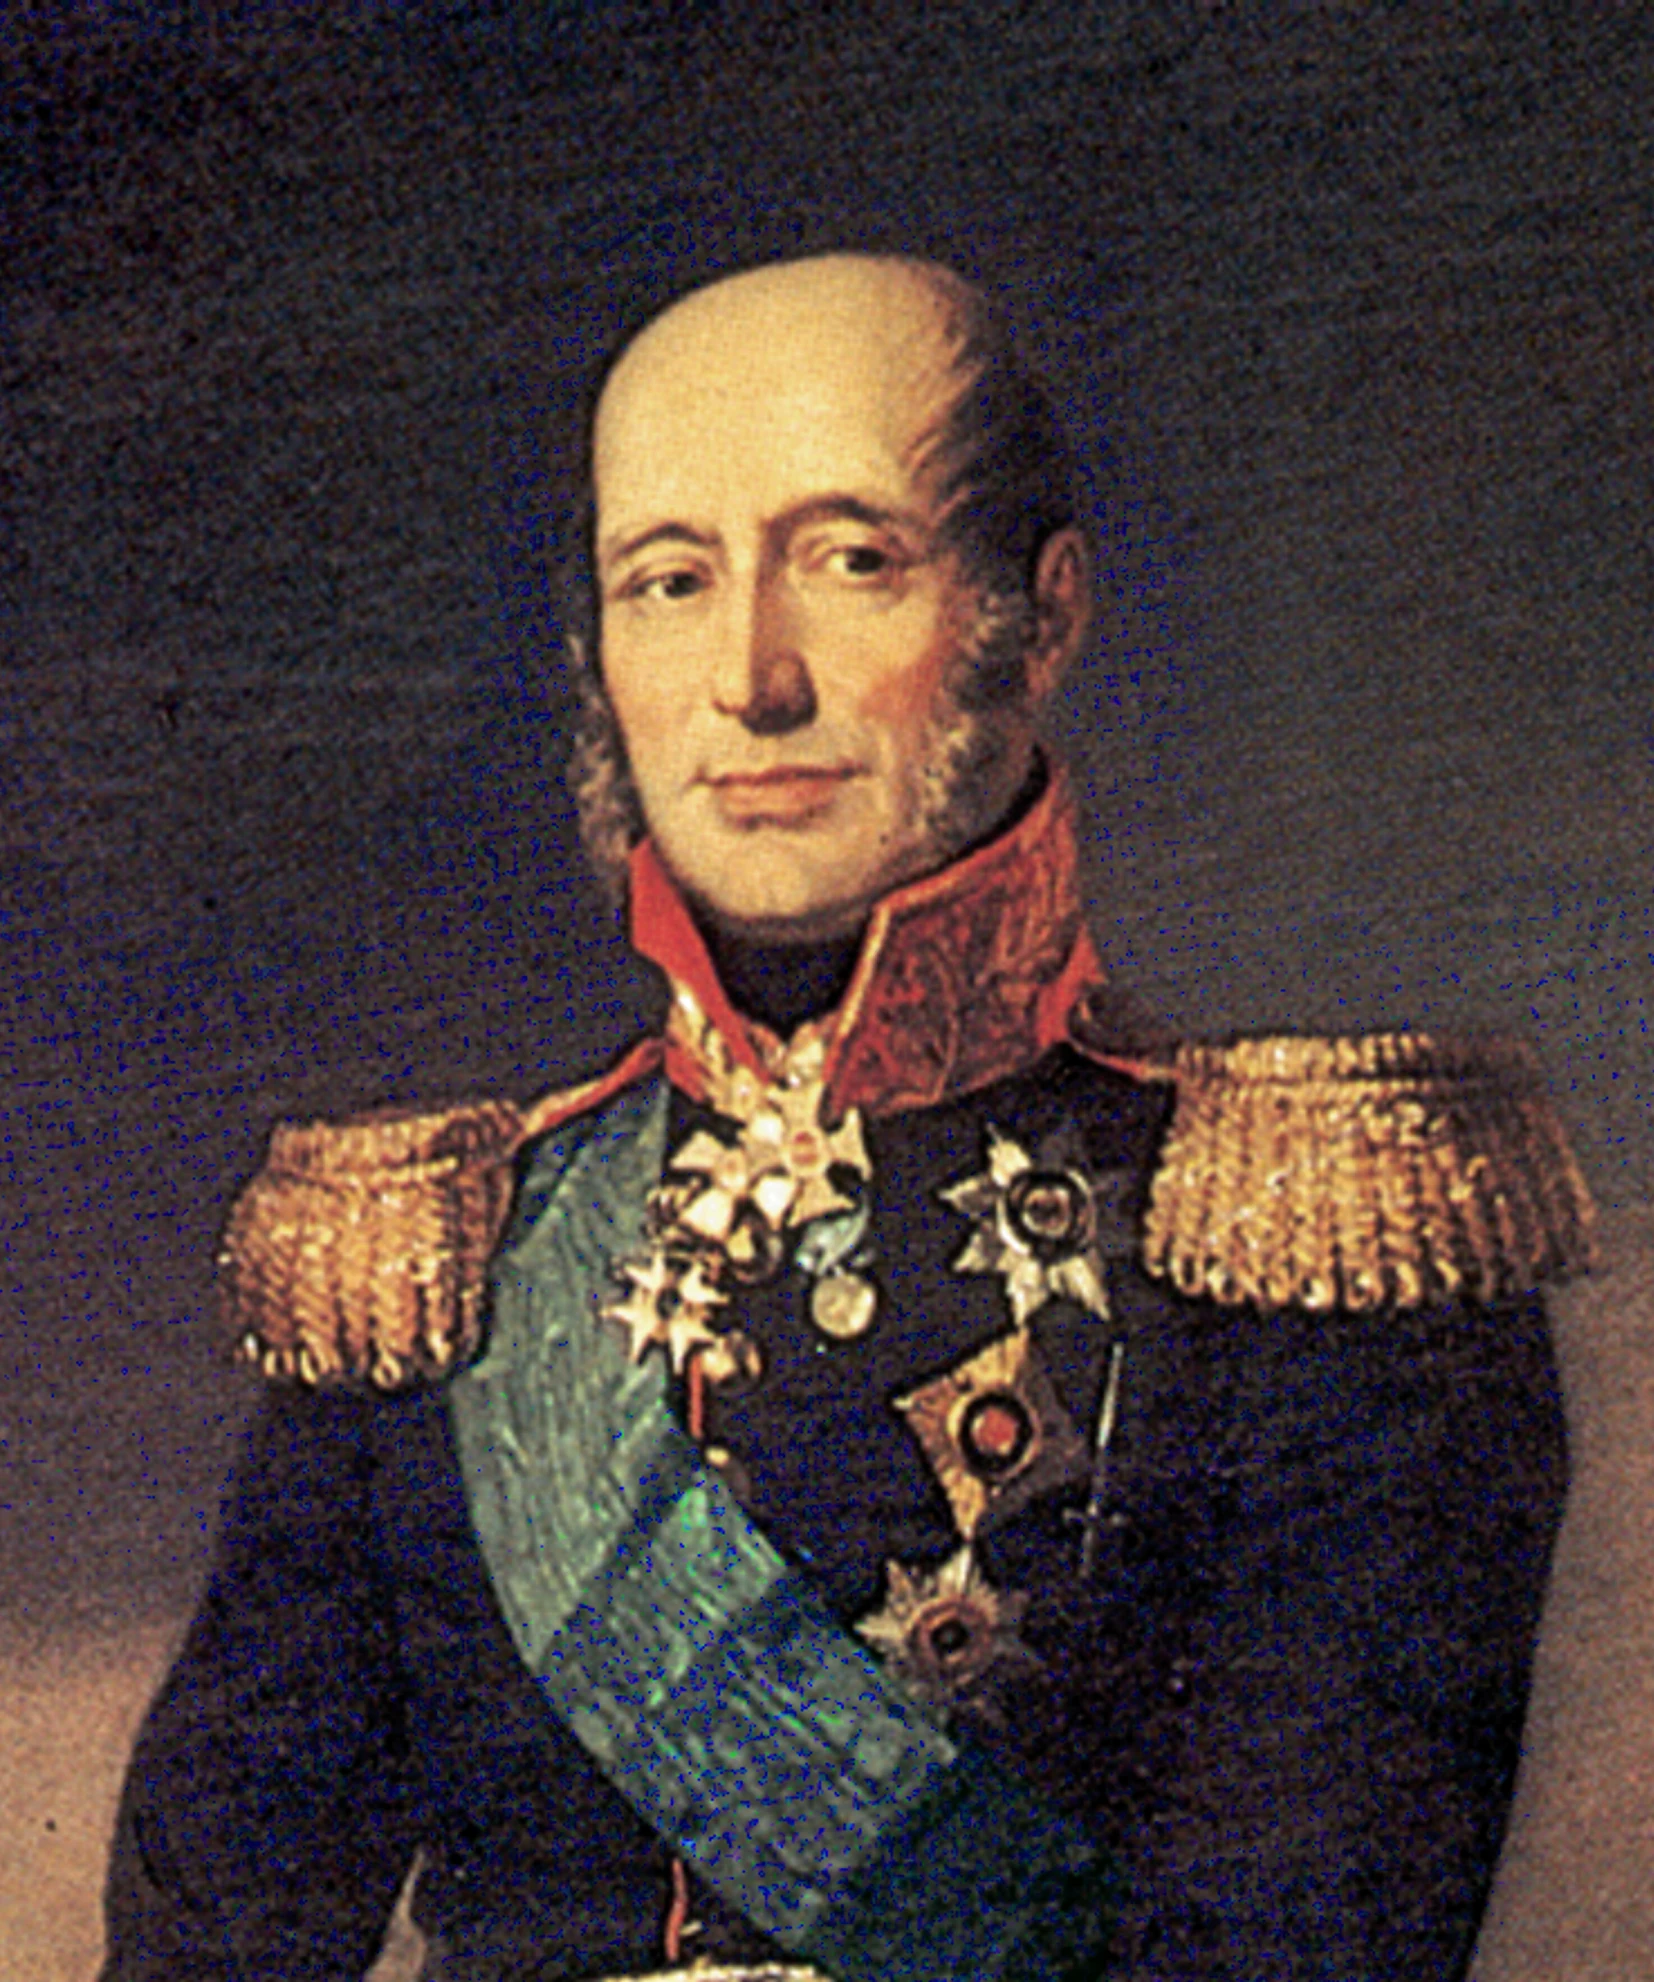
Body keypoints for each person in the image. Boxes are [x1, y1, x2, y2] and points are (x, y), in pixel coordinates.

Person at [101, 254, 1590, 1981]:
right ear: (599, 655)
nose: (751, 678)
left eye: (849, 558)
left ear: (1042, 614)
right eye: (669, 580)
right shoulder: (432, 1268)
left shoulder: (1313, 1254)